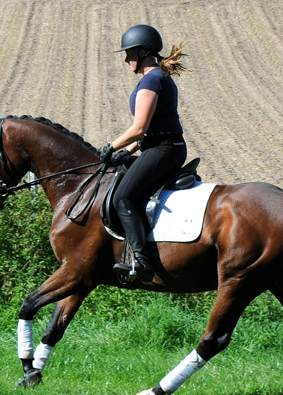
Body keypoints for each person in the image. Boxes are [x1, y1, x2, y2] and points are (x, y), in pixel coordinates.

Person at [98, 24, 189, 283]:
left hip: (164, 150)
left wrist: (110, 146)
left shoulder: (152, 79)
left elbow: (139, 128)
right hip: (161, 146)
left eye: (130, 54)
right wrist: (125, 152)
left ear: (143, 52)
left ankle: (143, 264)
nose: (127, 59)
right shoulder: (157, 76)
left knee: (123, 198)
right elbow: (151, 130)